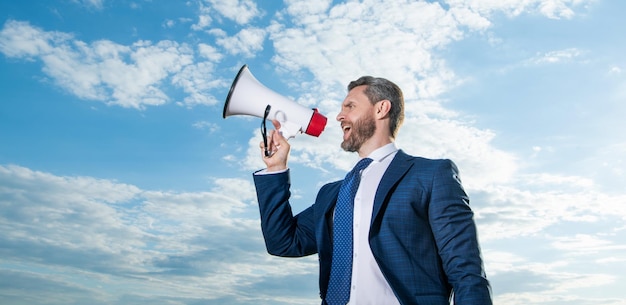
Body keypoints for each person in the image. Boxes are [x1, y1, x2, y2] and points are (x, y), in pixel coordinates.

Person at [253, 76, 492, 305]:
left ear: (381, 109)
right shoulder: (332, 193)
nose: (339, 116)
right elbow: (283, 242)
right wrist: (276, 169)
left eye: (350, 106)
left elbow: (466, 271)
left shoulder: (430, 175)